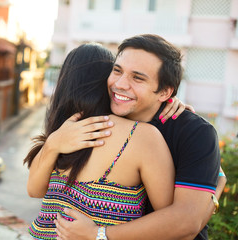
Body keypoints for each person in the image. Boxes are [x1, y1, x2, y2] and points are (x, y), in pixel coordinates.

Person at [48, 34, 226, 240]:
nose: (120, 84)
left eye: (138, 78)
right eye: (117, 71)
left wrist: (98, 235)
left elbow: (187, 224)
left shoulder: (194, 132)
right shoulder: (101, 116)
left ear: (165, 92)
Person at [24, 43, 177, 240]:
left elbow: (34, 191)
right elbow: (171, 220)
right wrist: (215, 184)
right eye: (117, 71)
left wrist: (53, 143)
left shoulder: (63, 133)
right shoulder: (140, 136)